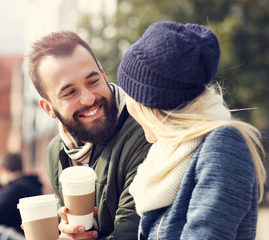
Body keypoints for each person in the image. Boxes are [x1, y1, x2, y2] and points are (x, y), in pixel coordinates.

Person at [117, 20, 267, 239]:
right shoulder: (167, 153)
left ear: (149, 103)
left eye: (127, 91)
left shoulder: (223, 146)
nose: (125, 102)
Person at [27, 31, 151, 239]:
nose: (88, 98)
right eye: (69, 93)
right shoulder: (56, 151)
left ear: (103, 75)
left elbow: (132, 234)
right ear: (48, 108)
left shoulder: (146, 131)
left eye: (93, 81)